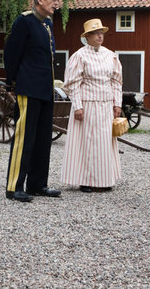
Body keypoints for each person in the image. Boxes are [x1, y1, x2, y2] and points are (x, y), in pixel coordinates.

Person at [3, 0, 63, 202]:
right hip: (28, 88)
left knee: (42, 139)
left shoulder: (46, 24)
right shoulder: (24, 22)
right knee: (24, 138)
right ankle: (14, 187)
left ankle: (38, 184)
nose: (56, 3)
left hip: (45, 89)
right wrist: (12, 82)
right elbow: (11, 53)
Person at [61, 18, 123, 192]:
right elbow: (73, 83)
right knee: (88, 142)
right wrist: (78, 105)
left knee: (105, 142)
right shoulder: (79, 56)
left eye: (101, 33)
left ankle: (105, 179)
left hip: (105, 104)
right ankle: (86, 179)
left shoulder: (110, 55)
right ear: (87, 36)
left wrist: (117, 103)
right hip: (87, 104)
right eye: (95, 33)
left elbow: (116, 81)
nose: (99, 36)